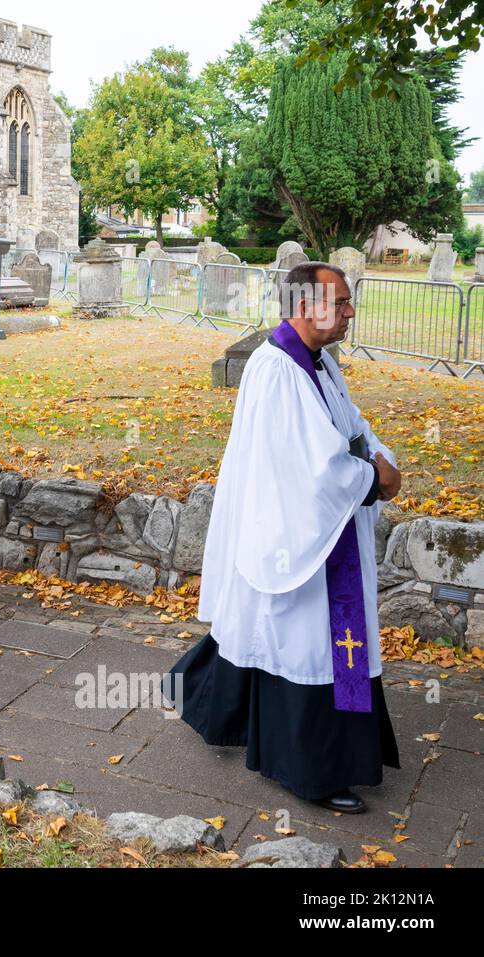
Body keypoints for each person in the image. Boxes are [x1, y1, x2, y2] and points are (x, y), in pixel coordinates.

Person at [168, 262, 401, 815]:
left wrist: (381, 455)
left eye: (348, 302)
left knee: (276, 640)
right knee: (302, 647)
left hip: (321, 531)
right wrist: (374, 478)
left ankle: (201, 697)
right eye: (340, 302)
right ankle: (310, 769)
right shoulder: (277, 370)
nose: (349, 312)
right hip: (293, 536)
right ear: (303, 305)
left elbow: (351, 427)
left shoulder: (318, 364)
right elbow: (313, 470)